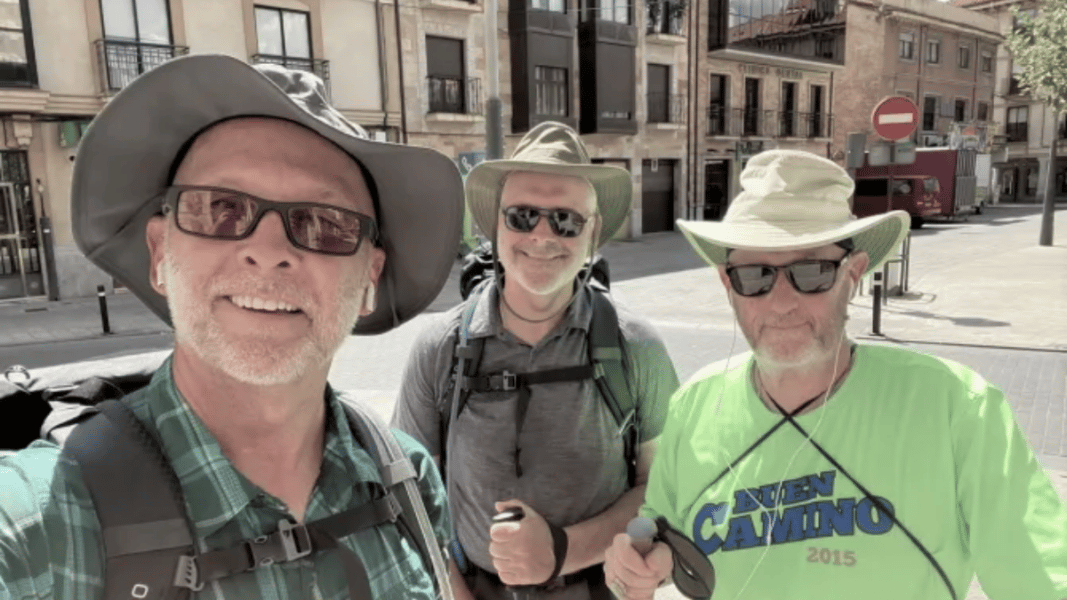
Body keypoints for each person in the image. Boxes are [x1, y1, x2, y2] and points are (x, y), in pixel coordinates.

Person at [0, 54, 466, 599]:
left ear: (370, 276)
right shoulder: (39, 528)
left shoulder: (407, 480)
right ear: (159, 253)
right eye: (219, 208)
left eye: (323, 223)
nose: (267, 253)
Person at [603, 149, 1067, 599]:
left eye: (812, 272)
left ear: (854, 273)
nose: (781, 303)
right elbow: (663, 533)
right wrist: (642, 565)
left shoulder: (957, 407)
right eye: (755, 276)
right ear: (728, 285)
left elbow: (1042, 575)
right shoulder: (696, 404)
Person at [391, 122, 680, 599]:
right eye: (523, 216)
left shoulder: (635, 347)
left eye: (566, 220)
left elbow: (666, 489)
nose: (543, 235)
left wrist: (562, 550)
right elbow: (411, 497)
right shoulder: (439, 348)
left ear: (592, 237)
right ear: (496, 227)